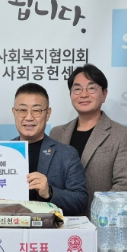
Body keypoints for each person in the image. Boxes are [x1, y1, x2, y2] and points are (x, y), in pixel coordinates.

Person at [50, 64, 127, 216]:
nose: (84, 94)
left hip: (100, 222)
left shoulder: (122, 135)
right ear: (71, 94)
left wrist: (95, 216)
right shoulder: (56, 133)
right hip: (59, 221)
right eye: (77, 89)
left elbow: (126, 186)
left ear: (104, 94)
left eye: (91, 88)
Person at [12, 83, 87, 215]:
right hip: (7, 226)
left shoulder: (67, 154)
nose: (28, 117)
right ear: (14, 112)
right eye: (22, 110)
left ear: (47, 114)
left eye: (36, 110)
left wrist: (49, 192)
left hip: (49, 227)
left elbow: (80, 201)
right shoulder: (1, 153)